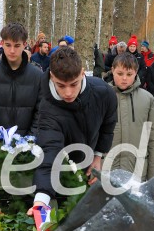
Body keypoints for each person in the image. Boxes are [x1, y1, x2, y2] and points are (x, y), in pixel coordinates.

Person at [31, 46, 117, 208]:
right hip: (62, 172)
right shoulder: (48, 109)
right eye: (61, 86)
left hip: (91, 164)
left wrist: (98, 156)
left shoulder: (104, 93)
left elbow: (108, 126)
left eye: (73, 84)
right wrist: (41, 201)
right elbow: (49, 153)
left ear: (82, 73)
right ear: (51, 77)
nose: (68, 93)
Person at [0, 22, 46, 136]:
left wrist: (28, 141)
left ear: (24, 44)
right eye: (8, 45)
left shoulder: (38, 76)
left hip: (29, 147)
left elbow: (41, 113)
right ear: (2, 43)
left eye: (17, 45)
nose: (12, 50)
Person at [108, 52, 154, 181]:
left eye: (129, 74)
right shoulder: (103, 96)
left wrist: (153, 175)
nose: (124, 78)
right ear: (112, 71)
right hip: (107, 170)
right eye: (120, 74)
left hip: (137, 171)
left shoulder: (147, 99)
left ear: (136, 72)